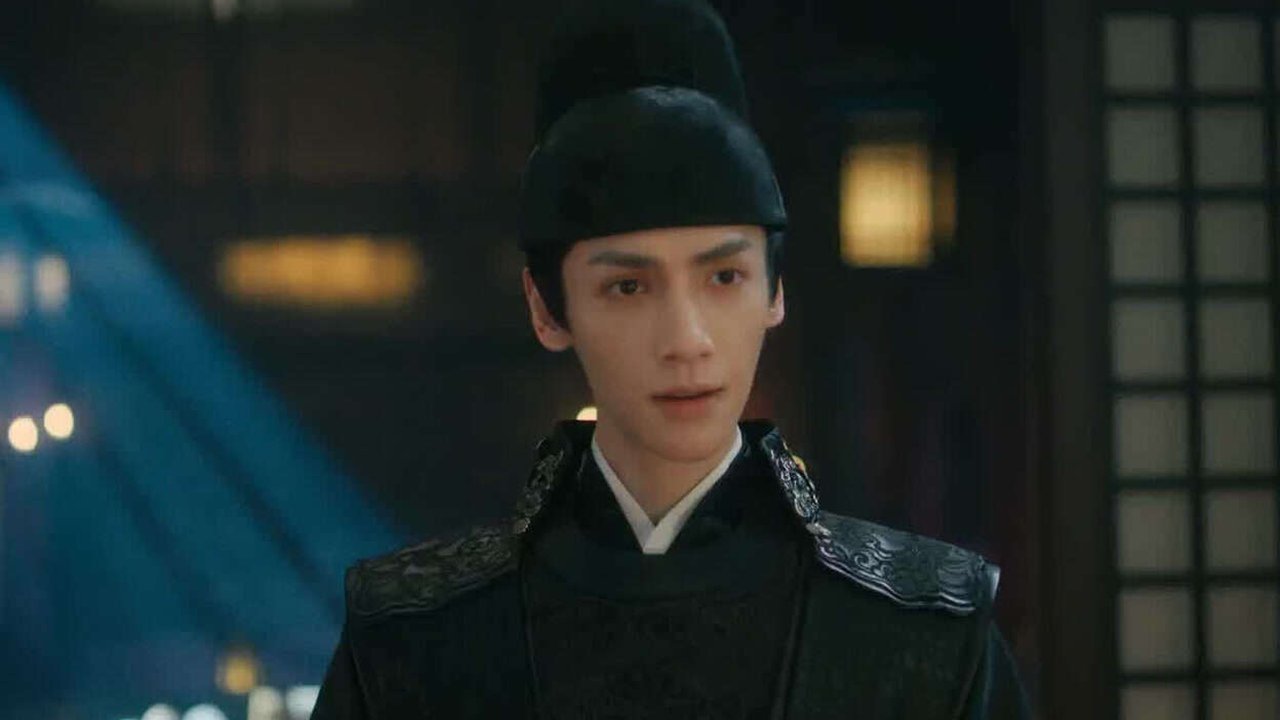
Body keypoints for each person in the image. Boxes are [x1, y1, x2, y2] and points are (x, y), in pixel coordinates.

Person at [311, 1, 1030, 717]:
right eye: (628, 286)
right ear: (547, 308)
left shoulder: (926, 630)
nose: (687, 339)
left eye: (724, 277)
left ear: (775, 290)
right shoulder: (413, 639)